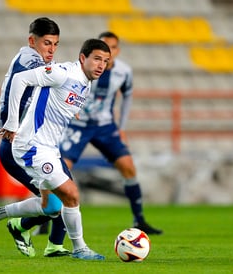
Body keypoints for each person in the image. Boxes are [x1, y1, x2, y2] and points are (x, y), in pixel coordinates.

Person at [0, 38, 111, 260]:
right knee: (71, 194)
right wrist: (12, 122)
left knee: (51, 206)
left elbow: (61, 100)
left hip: (49, 148)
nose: (101, 65)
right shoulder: (63, 72)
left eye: (106, 61)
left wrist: (72, 110)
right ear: (82, 58)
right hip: (31, 146)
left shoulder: (86, 83)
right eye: (97, 59)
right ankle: (80, 249)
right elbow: (20, 79)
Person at [59, 31, 163, 235]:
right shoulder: (83, 68)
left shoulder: (123, 71)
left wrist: (121, 127)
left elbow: (127, 98)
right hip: (78, 126)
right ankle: (49, 216)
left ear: (117, 50)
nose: (109, 51)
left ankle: (139, 219)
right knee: (61, 171)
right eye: (104, 47)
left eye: (113, 47)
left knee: (128, 168)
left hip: (105, 126)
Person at [0, 17, 69, 258]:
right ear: (31, 41)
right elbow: (18, 86)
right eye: (47, 43)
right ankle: (12, 222)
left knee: (62, 198)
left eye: (55, 44)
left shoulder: (36, 61)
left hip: (35, 145)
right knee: (59, 199)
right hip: (17, 147)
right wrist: (11, 124)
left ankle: (51, 243)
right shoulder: (29, 59)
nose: (51, 50)